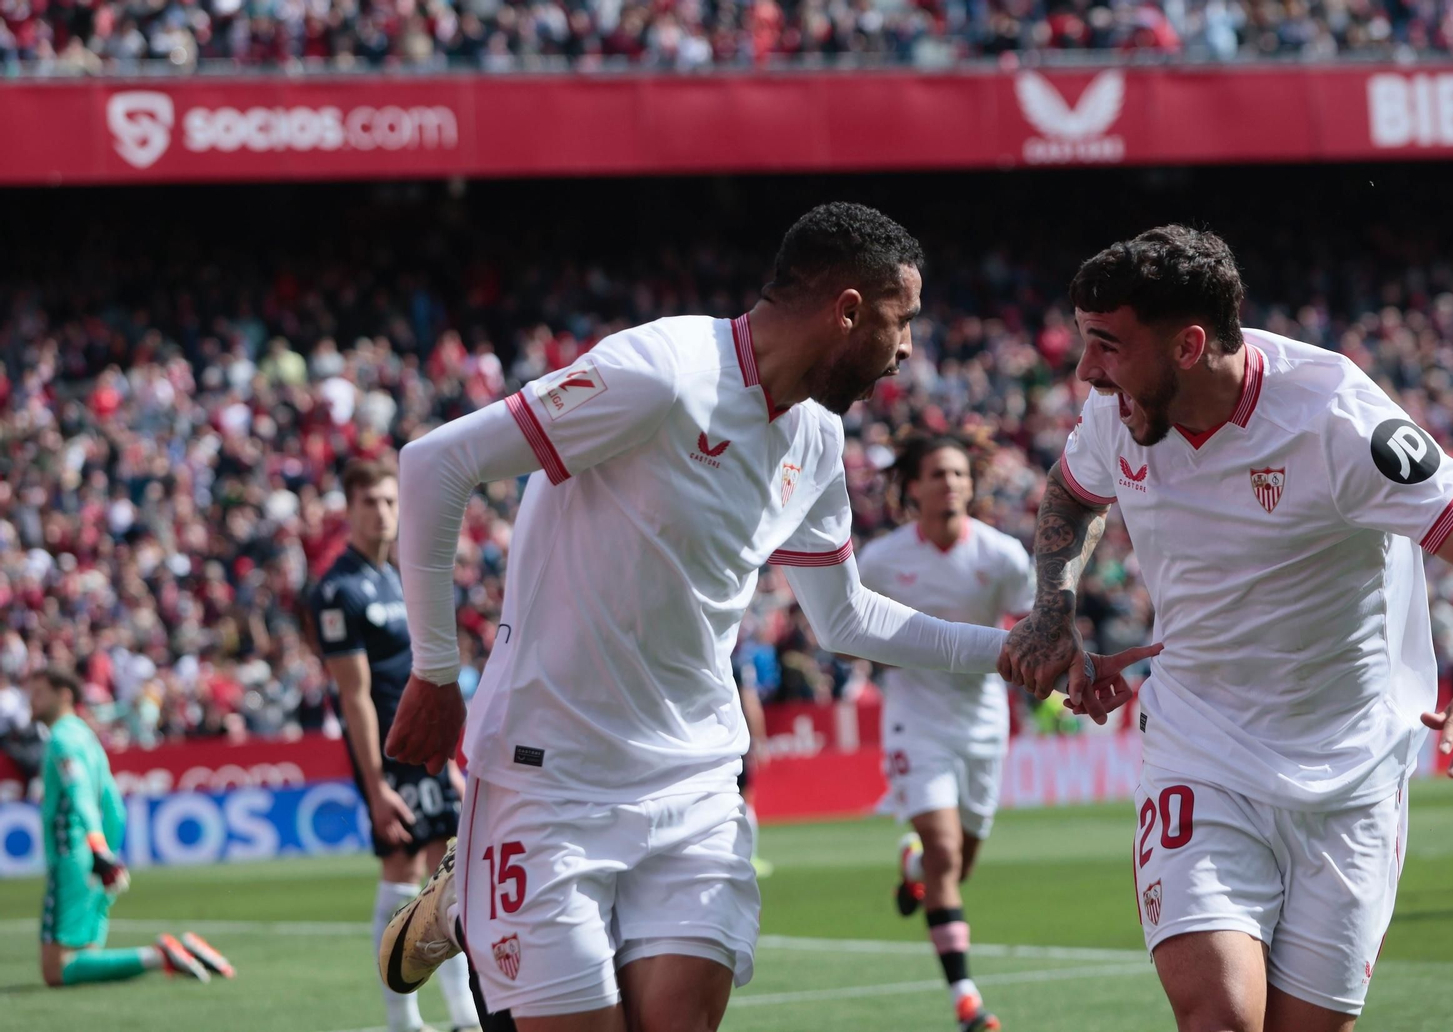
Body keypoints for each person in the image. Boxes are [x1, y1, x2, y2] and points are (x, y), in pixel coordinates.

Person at [375, 202, 1157, 1032]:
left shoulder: (816, 436)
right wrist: (434, 671)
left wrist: (1022, 653)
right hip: (550, 774)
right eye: (902, 323)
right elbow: (435, 464)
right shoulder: (663, 371)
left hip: (696, 781)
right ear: (848, 310)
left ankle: (474, 905)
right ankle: (466, 906)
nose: (906, 352)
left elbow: (848, 618)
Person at [1001, 226, 1453, 1032]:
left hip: (1352, 773)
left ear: (1189, 344)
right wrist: (1055, 609)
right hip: (1202, 751)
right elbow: (1070, 495)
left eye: (1107, 346)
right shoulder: (1116, 412)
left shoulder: (1337, 419)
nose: (1087, 371)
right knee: (1220, 1018)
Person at [855, 435, 1034, 1032]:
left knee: (957, 865)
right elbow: (847, 621)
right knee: (947, 852)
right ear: (913, 488)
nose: (951, 483)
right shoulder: (880, 561)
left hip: (983, 719)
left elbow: (1034, 618)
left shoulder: (1002, 554)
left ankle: (912, 869)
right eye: (937, 473)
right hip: (915, 717)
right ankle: (966, 998)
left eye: (959, 472)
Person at [310, 459, 478, 1032]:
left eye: (388, 501)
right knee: (401, 867)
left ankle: (461, 1014)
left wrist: (449, 763)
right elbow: (353, 696)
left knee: (450, 870)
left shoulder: (398, 576)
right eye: (368, 503)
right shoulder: (338, 590)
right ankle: (402, 1019)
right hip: (388, 753)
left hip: (426, 750)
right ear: (349, 509)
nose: (381, 512)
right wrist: (375, 783)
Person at [32, 667, 233, 988]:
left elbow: (81, 795)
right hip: (95, 854)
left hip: (72, 853)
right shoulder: (86, 736)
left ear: (64, 695)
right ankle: (179, 952)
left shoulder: (61, 739)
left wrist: (97, 849)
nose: (32, 701)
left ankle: (159, 956)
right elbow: (113, 803)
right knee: (86, 953)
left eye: (39, 693)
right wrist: (109, 852)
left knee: (55, 970)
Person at [732, 659, 774, 878]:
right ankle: (750, 856)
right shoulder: (738, 663)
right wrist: (760, 741)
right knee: (746, 799)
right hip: (734, 741)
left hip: (709, 739)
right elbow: (751, 703)